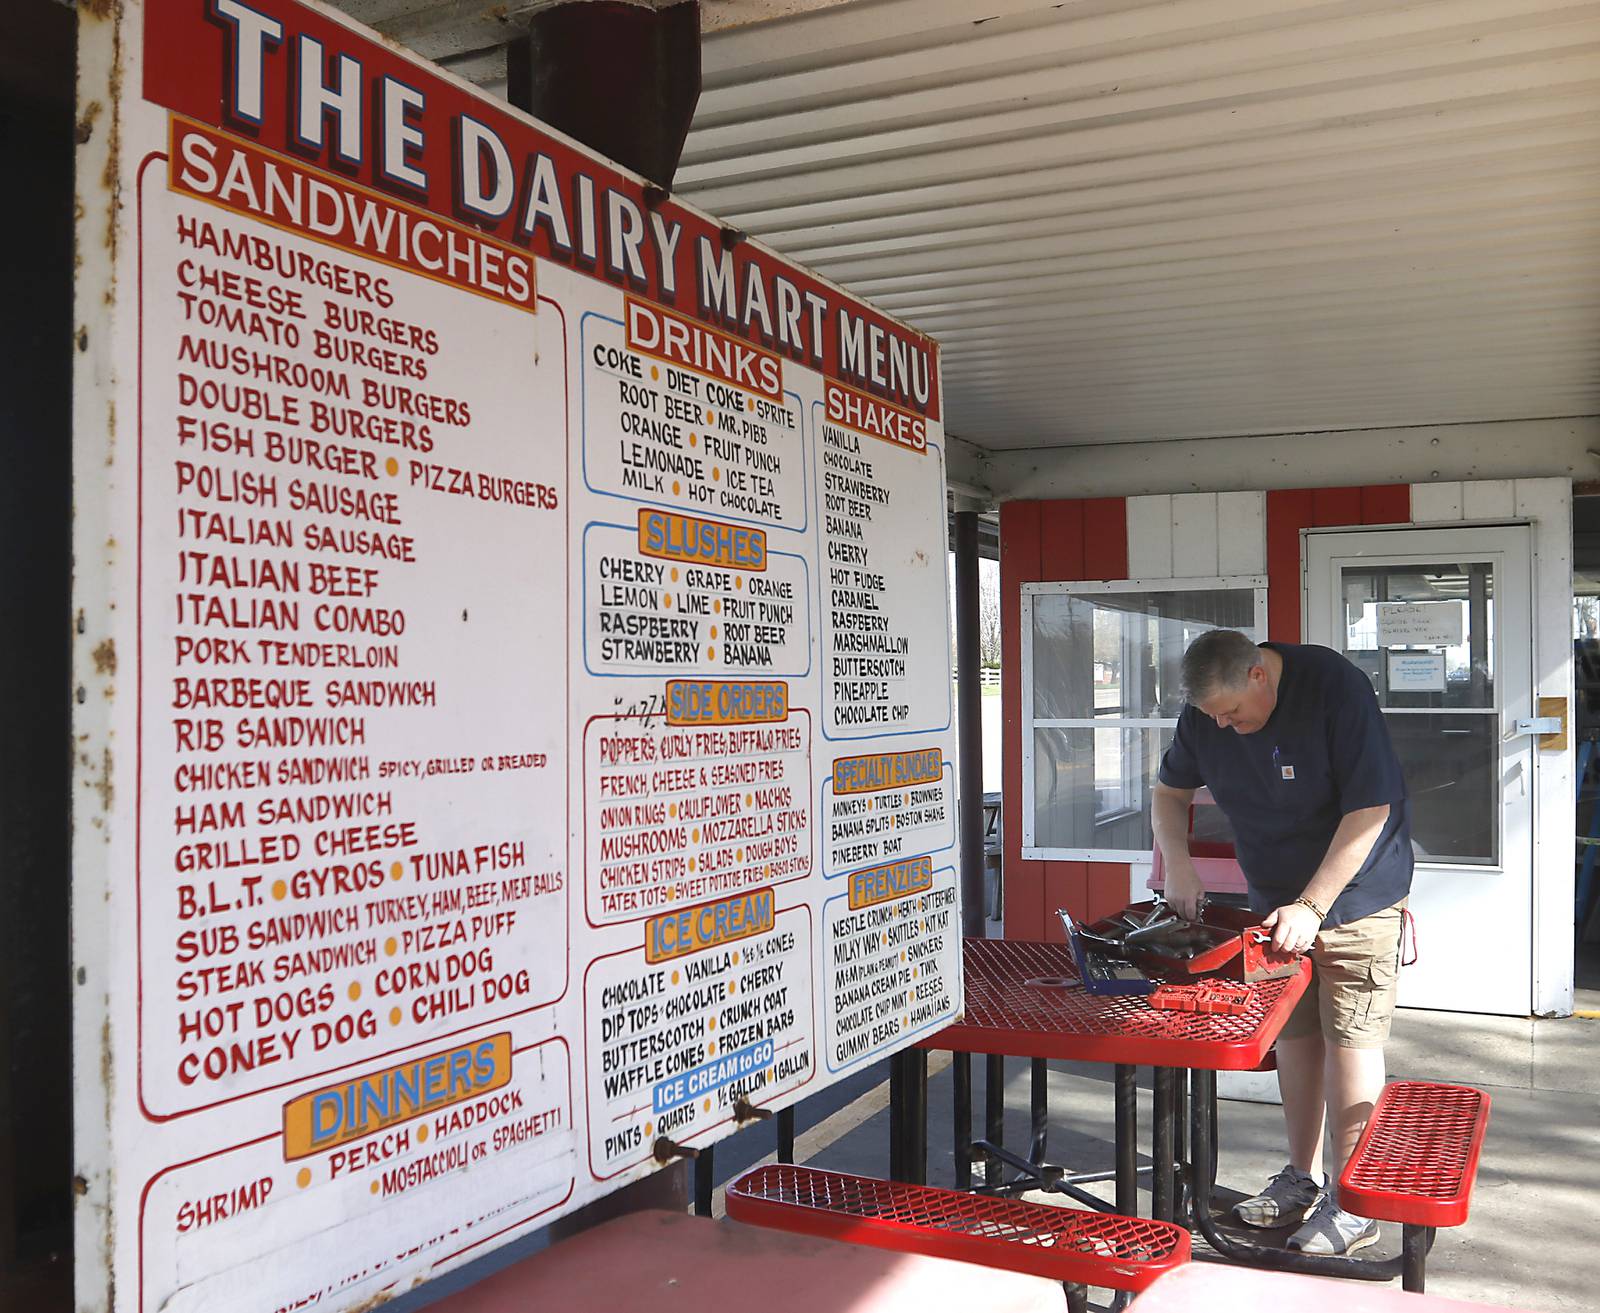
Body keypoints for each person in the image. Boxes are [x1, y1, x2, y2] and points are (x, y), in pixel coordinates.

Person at [1152, 629, 1411, 1256]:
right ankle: (1302, 1176)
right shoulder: (1207, 710)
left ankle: (1354, 1203)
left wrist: (1314, 905)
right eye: (1213, 716)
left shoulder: (1334, 688)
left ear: (1258, 675)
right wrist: (1178, 864)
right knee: (1294, 1038)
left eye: (1232, 712)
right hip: (1274, 902)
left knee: (1350, 1041)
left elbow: (1371, 810)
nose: (1224, 725)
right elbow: (1169, 792)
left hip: (1356, 898)